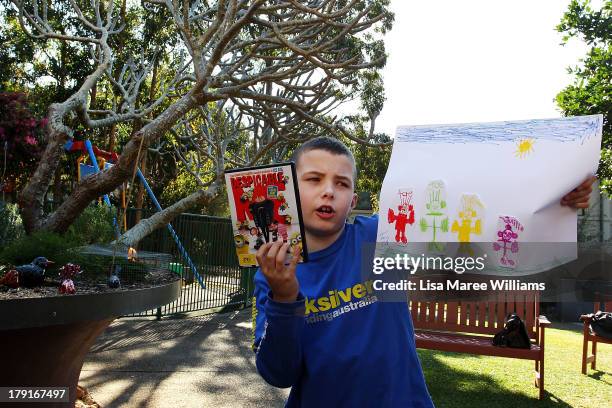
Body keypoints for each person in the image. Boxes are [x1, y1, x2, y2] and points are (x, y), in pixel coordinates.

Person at [251, 136, 595, 407]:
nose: (329, 190)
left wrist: (554, 199)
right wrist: (284, 297)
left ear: (353, 198)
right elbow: (279, 373)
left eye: (341, 183)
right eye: (314, 179)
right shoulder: (270, 270)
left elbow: (479, 216)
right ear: (290, 192)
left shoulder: (381, 237)